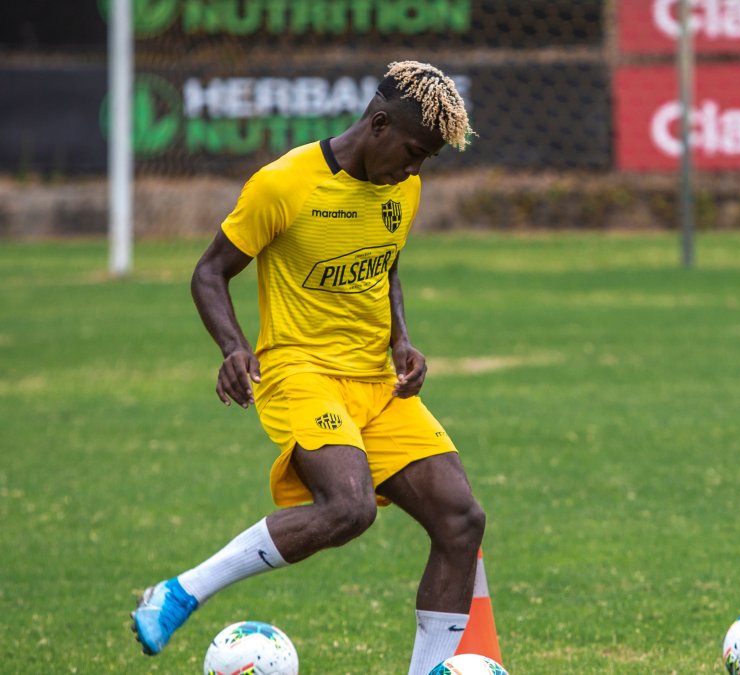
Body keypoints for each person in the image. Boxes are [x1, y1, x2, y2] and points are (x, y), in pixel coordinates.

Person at [131, 61, 486, 675]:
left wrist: (402, 339)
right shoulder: (284, 183)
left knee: (461, 519)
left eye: (426, 160)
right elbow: (209, 272)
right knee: (350, 507)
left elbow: (386, 261)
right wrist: (233, 347)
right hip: (301, 373)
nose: (414, 169)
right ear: (379, 124)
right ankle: (181, 591)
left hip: (376, 382)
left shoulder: (400, 183)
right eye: (412, 152)